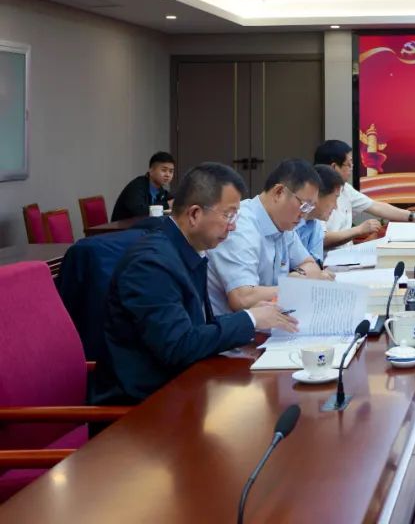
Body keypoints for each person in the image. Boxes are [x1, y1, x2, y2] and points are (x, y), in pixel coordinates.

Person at [93, 163, 298, 405]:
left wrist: (253, 319)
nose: (233, 226)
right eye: (228, 215)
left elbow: (197, 327)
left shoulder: (187, 251)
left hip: (183, 389)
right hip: (145, 406)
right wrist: (251, 319)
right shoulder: (151, 264)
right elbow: (179, 345)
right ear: (194, 214)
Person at [206, 159, 330, 315]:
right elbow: (243, 298)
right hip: (234, 327)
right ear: (279, 192)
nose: (304, 215)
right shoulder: (240, 226)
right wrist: (295, 284)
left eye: (310, 208)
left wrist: (298, 277)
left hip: (270, 321)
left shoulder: (285, 224)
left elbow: (310, 265)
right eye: (304, 205)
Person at [314, 140, 415, 250]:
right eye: (349, 164)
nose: (352, 168)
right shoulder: (316, 194)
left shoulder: (345, 189)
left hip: (347, 256)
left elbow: (376, 206)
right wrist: (359, 230)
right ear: (334, 167)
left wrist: (412, 216)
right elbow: (320, 239)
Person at [294, 164, 344, 266]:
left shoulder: (316, 225)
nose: (336, 206)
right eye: (335, 198)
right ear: (317, 194)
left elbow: (316, 265)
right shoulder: (289, 222)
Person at [111, 151, 176, 221]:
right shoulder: (137, 186)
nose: (168, 175)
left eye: (171, 171)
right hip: (124, 226)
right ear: (151, 171)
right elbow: (139, 211)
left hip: (145, 226)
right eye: (164, 170)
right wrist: (167, 204)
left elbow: (174, 200)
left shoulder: (161, 191)